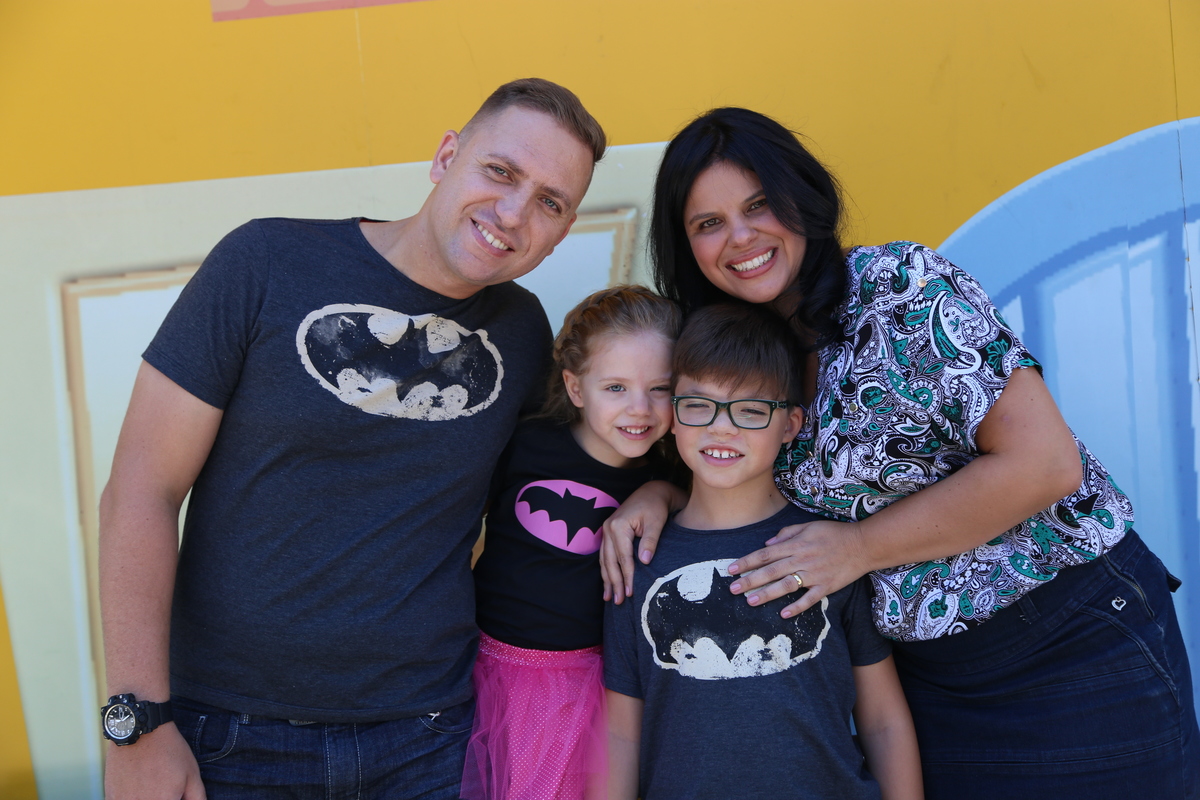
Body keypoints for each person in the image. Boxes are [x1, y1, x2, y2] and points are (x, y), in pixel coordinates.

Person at [601, 107, 1199, 799]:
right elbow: (728, 460)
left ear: (802, 198)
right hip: (929, 683)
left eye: (759, 204)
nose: (740, 236)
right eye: (709, 222)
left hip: (1064, 640)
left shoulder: (898, 288)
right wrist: (658, 493)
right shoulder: (741, 352)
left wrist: (858, 548)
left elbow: (1046, 465)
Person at [98, 78, 606, 800]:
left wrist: (652, 497)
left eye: (550, 203)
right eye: (500, 171)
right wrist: (138, 725)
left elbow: (566, 475)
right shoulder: (265, 262)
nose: (514, 212)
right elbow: (140, 492)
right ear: (446, 157)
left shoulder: (521, 332)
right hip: (230, 734)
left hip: (430, 736)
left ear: (563, 229)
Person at [604, 303, 922, 800]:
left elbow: (882, 718)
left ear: (790, 424)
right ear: (673, 415)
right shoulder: (638, 558)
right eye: (699, 404)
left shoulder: (826, 548)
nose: (722, 428)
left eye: (751, 410)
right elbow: (622, 733)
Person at [463, 285, 680, 800]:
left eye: (661, 388)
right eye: (615, 387)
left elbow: (701, 503)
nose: (640, 409)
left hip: (587, 685)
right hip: (486, 669)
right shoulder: (524, 443)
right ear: (575, 388)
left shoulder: (668, 474)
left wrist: (662, 492)